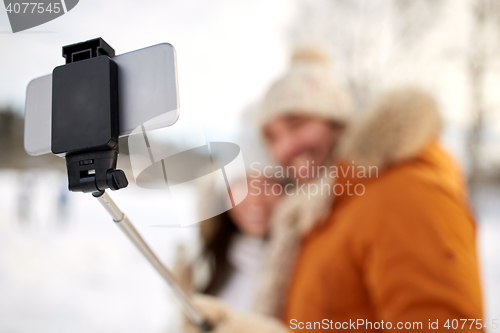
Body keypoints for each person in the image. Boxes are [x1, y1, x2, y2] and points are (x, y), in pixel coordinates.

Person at [183, 45, 484, 333]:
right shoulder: (322, 210)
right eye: (272, 138)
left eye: (297, 123)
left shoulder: (406, 189)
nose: (285, 148)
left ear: (337, 121)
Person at [174, 174, 283, 311]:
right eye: (242, 183)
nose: (256, 198)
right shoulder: (202, 264)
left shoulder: (301, 263)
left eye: (270, 183)